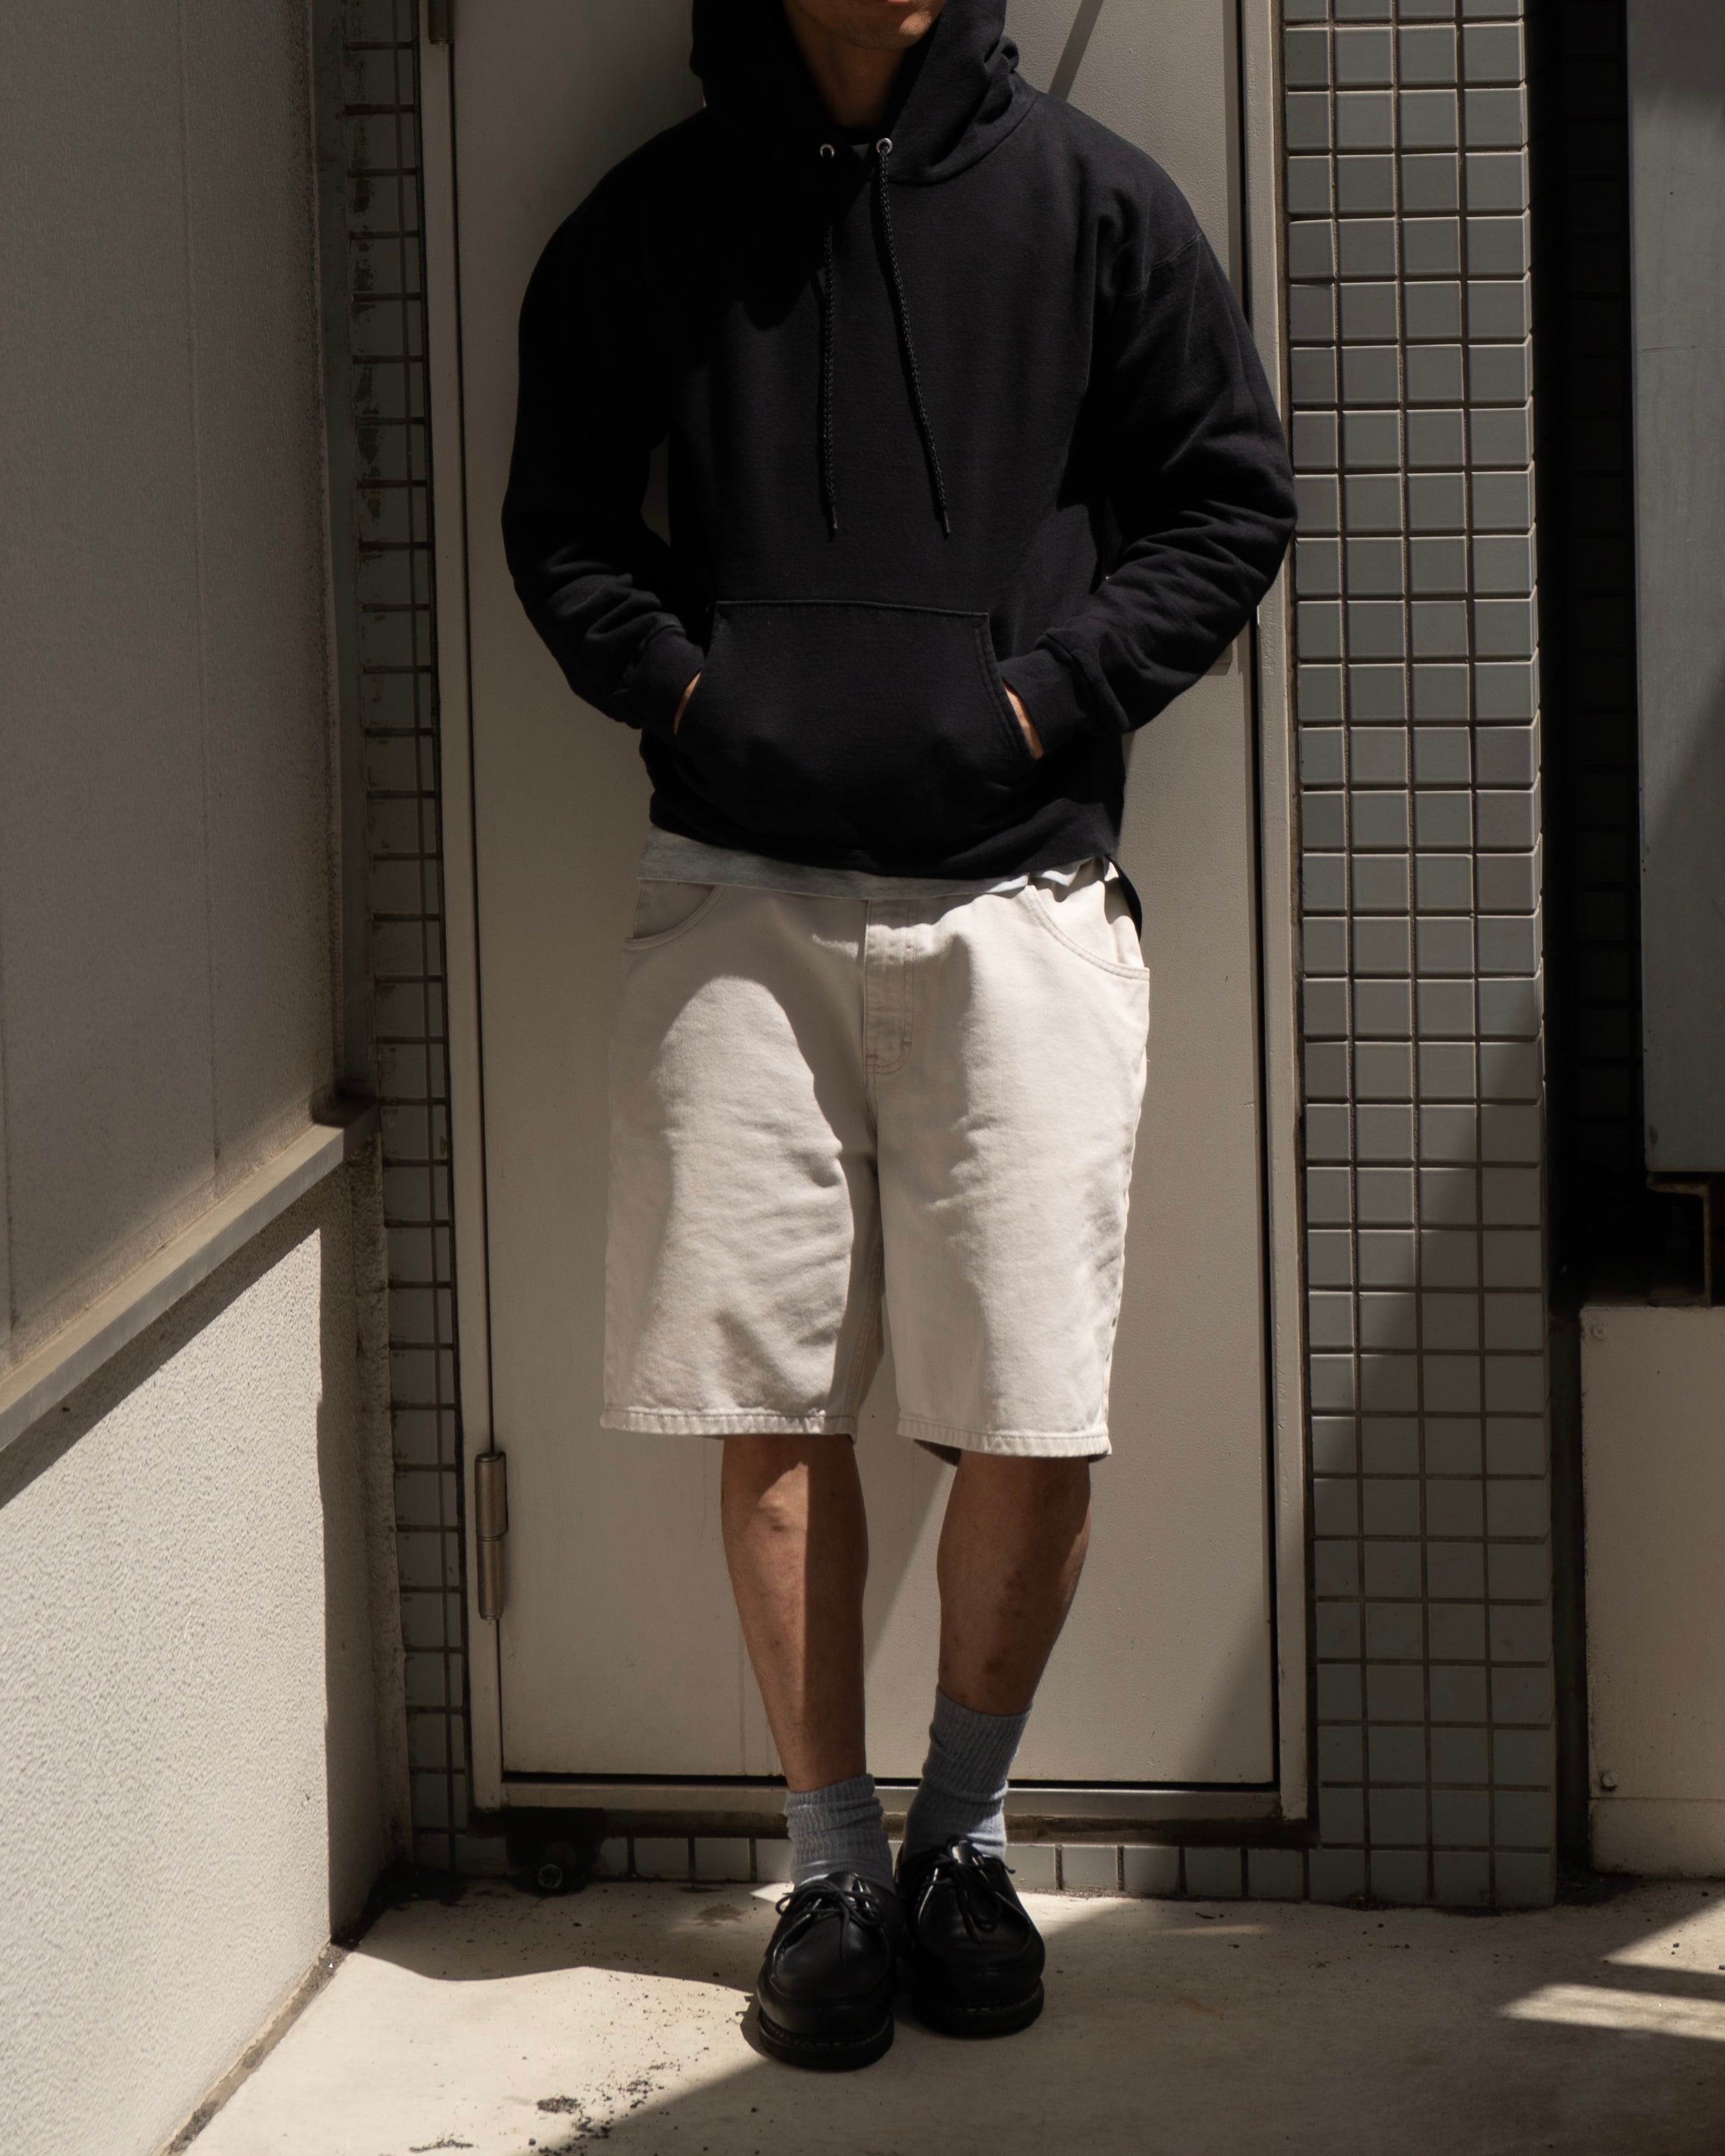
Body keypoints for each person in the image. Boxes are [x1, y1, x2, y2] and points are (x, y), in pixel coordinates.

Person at [503, 0, 1294, 2071]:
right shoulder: (656, 222)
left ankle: (966, 1842)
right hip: (735, 895)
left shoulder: (1097, 210)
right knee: (769, 1395)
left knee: (1031, 1401)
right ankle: (833, 1868)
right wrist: (698, 695)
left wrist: (1038, 700)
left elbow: (1228, 503)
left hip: (1024, 892)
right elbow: (561, 526)